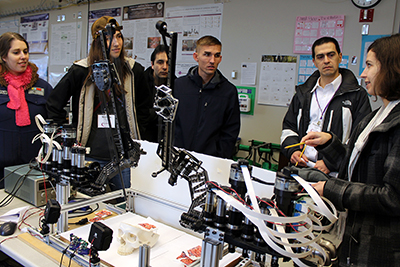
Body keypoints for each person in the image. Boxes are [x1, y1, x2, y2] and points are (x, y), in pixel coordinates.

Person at [301, 33, 400, 266]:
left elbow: (393, 197)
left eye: (369, 65)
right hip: (354, 238)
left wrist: (332, 189)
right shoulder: (375, 118)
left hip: (381, 248)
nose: (363, 74)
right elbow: (356, 164)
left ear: (392, 69)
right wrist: (329, 144)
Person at [46, 16, 151, 192]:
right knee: (89, 206)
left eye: (119, 36)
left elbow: (144, 110)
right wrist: (67, 137)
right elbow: (53, 104)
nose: (116, 43)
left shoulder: (134, 70)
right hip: (90, 153)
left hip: (125, 157)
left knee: (125, 204)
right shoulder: (80, 70)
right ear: (97, 41)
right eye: (109, 38)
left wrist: (137, 142)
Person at [281, 36, 371, 174]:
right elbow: (289, 127)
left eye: (331, 55)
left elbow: (360, 138)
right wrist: (293, 151)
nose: (326, 60)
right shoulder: (303, 93)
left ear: (340, 57)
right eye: (320, 57)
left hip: (335, 173)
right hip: (301, 168)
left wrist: (331, 162)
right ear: (314, 62)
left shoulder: (357, 94)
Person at [174, 35, 240, 159]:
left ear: (220, 58)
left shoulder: (228, 92)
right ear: (196, 57)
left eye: (216, 55)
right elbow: (169, 122)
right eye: (207, 54)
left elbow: (230, 132)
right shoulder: (179, 86)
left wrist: (219, 158)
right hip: (179, 158)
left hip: (210, 161)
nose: (212, 60)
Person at [0, 32, 53, 188]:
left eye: (25, 51)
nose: (23, 56)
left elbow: (53, 124)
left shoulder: (43, 87)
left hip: (34, 166)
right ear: (4, 56)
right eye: (16, 52)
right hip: (1, 168)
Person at [143, 44, 169, 142]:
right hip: (144, 138)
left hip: (166, 139)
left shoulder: (176, 84)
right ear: (152, 64)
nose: (165, 67)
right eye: (160, 62)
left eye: (168, 63)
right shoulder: (142, 82)